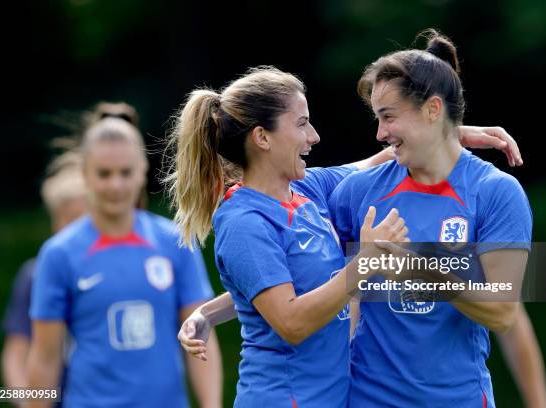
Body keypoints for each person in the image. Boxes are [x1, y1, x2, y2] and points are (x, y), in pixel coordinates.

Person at [170, 66, 526, 407]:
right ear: (262, 137)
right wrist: (368, 263)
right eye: (302, 124)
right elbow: (291, 320)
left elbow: (372, 163)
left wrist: (445, 134)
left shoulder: (307, 192)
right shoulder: (245, 220)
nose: (314, 136)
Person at [326, 29, 533, 407]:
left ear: (433, 109)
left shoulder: (494, 192)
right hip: (367, 399)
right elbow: (286, 198)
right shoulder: (358, 191)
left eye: (388, 117)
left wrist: (419, 272)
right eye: (377, 118)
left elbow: (503, 312)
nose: (379, 133)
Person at [27, 103, 222, 408]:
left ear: (143, 170)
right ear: (85, 175)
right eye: (104, 174)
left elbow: (200, 337)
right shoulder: (58, 254)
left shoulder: (175, 241)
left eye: (125, 172)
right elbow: (44, 359)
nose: (115, 185)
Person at [1, 151, 87, 397]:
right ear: (55, 222)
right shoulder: (34, 275)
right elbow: (15, 354)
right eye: (71, 219)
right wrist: (27, 400)